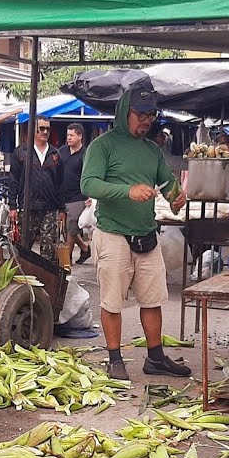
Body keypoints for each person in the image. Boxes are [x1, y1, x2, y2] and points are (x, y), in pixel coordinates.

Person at [81, 82, 189, 381]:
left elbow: (167, 184)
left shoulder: (152, 151)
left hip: (147, 235)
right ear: (123, 113)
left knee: (153, 299)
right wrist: (127, 191)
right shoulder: (102, 146)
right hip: (113, 235)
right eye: (140, 115)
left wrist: (176, 197)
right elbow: (88, 184)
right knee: (112, 301)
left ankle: (155, 357)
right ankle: (115, 359)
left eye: (150, 116)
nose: (146, 121)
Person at [9, 117, 66, 262]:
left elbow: (60, 183)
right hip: (28, 206)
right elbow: (14, 180)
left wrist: (62, 209)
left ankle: (46, 275)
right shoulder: (21, 152)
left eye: (48, 129)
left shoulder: (55, 154)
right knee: (23, 248)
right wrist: (12, 206)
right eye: (41, 128)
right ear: (33, 130)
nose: (45, 132)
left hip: (49, 207)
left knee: (49, 249)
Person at [58, 123, 91, 267]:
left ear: (80, 136)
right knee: (67, 229)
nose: (69, 138)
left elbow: (89, 175)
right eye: (67, 135)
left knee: (71, 228)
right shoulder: (62, 151)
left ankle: (67, 260)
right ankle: (85, 248)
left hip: (77, 196)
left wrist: (90, 195)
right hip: (61, 195)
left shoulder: (86, 155)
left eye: (72, 135)